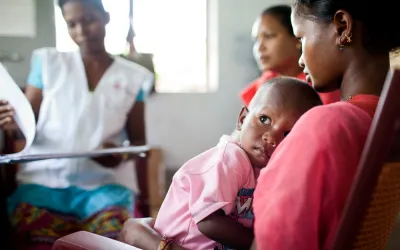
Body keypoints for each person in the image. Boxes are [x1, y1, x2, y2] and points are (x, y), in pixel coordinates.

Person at [0, 0, 153, 248]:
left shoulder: (134, 77)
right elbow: (24, 128)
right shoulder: (47, 63)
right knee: (42, 241)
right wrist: (11, 124)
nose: (81, 31)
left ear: (106, 17)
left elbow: (138, 143)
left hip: (104, 187)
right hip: (42, 184)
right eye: (72, 24)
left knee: (111, 239)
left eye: (89, 20)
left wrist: (120, 156)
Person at [252, 0, 400, 249]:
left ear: (342, 27)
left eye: (302, 38)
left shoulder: (326, 124)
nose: (300, 60)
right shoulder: (387, 119)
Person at [119, 77, 323, 250]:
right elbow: (209, 221)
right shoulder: (231, 159)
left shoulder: (268, 172)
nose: (271, 137)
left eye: (287, 133)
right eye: (264, 119)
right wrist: (256, 245)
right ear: (242, 119)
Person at [240, 5, 340, 106]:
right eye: (256, 40)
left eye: (269, 36)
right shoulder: (262, 86)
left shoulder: (322, 86)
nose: (259, 47)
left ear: (297, 38)